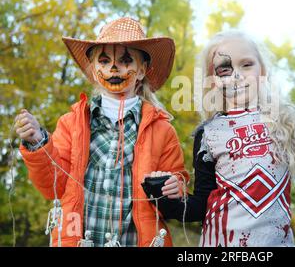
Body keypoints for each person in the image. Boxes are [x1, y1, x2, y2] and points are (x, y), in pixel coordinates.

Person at [150, 30, 295, 247]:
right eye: (225, 69)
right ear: (213, 80)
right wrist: (166, 197)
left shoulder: (286, 121)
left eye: (246, 65)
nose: (237, 76)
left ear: (262, 70)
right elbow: (200, 207)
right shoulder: (208, 133)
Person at [15, 17, 187, 247]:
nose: (113, 68)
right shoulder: (71, 124)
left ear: (142, 69)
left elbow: (178, 187)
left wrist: (174, 186)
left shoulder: (163, 131)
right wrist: (37, 142)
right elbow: (52, 187)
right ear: (94, 71)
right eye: (104, 61)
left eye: (126, 60)